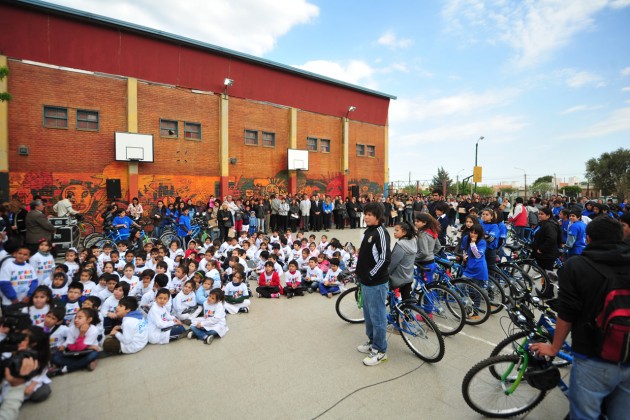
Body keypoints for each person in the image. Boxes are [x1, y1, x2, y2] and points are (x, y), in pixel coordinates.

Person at [530, 217, 630, 419]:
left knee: (585, 414)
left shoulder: (577, 266)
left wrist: (554, 348)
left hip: (592, 357)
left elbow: (567, 314)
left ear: (589, 238)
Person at [355, 202, 391, 366]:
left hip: (376, 283)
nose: (366, 216)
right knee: (368, 316)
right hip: (366, 282)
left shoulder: (381, 233)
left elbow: (385, 259)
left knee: (378, 317)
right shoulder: (368, 231)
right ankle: (371, 342)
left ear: (378, 216)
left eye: (369, 214)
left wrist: (370, 274)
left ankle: (380, 350)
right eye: (365, 214)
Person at [388, 222, 417, 302]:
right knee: (406, 300)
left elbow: (393, 263)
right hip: (409, 276)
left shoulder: (400, 244)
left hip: (398, 278)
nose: (394, 232)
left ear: (404, 232)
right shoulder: (413, 241)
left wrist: (386, 273)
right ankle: (407, 313)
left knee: (391, 296)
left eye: (397, 230)